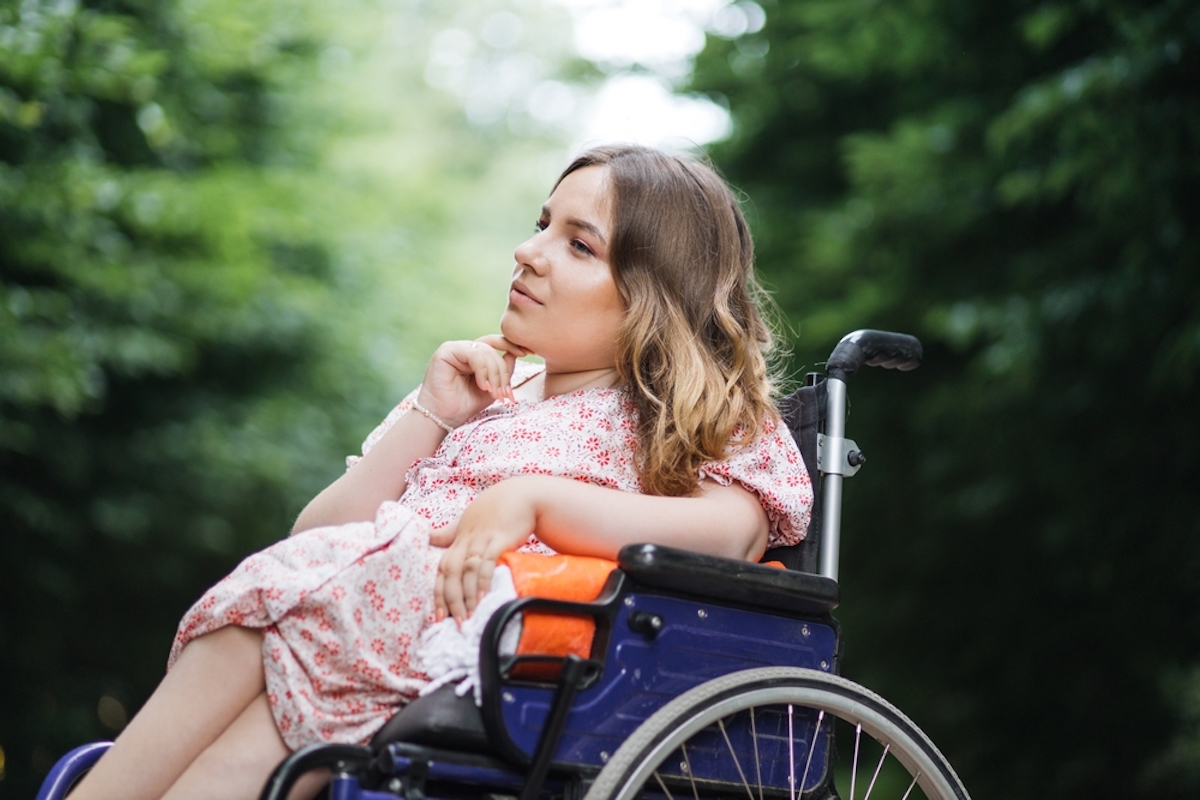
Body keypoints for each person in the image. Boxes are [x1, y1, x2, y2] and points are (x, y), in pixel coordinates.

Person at [67, 144, 813, 800]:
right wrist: (431, 412)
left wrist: (534, 501)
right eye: (541, 223)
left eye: (580, 246)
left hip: (514, 644)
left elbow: (727, 534)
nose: (530, 252)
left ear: (656, 298)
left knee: (274, 641)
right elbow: (309, 545)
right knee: (275, 663)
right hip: (368, 612)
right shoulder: (486, 399)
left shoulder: (695, 416)